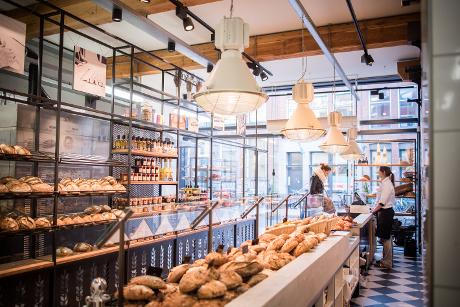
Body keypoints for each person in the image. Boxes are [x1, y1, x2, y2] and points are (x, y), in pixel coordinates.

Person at [372, 166, 396, 269]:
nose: (378, 173)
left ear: (383, 172)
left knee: (386, 238)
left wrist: (373, 211)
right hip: (385, 213)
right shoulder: (385, 183)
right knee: (385, 237)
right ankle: (386, 260)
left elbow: (382, 202)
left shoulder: (387, 184)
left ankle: (387, 262)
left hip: (386, 213)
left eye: (379, 171)